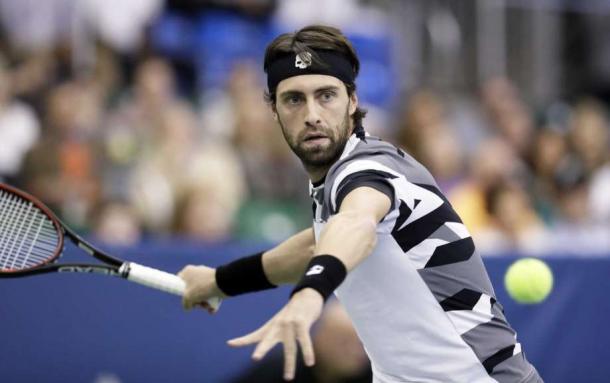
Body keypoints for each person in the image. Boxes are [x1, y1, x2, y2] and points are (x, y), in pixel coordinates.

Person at [178, 25, 543, 382]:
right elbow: (317, 244)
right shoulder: (330, 181)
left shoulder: (366, 169)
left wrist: (309, 294)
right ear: (274, 110)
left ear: (352, 101)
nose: (312, 114)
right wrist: (219, 281)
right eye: (294, 99)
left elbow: (357, 226)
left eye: (326, 95)